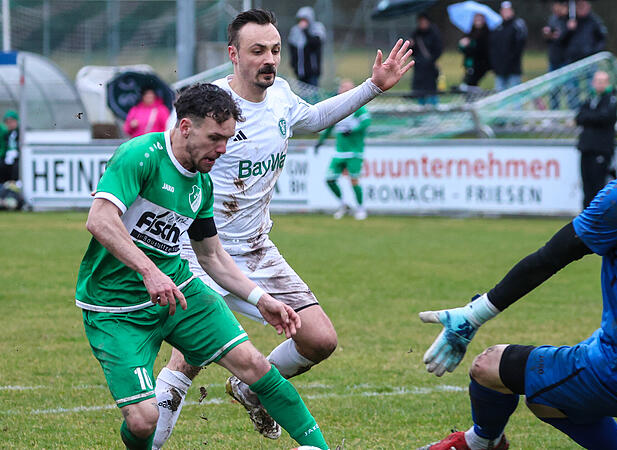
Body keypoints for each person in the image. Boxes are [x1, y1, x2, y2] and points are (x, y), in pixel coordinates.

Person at [151, 9, 412, 447]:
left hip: (256, 249)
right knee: (189, 357)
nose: (269, 59)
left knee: (320, 339)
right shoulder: (206, 107)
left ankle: (250, 389)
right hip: (198, 253)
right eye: (258, 51)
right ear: (233, 55)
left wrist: (372, 87)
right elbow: (169, 163)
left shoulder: (282, 96)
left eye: (274, 50)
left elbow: (312, 119)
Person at [419, 58, 617, 450]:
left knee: (488, 366)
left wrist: (472, 315)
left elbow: (548, 259)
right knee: (549, 399)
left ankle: (477, 444)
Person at [76, 83, 329, 450]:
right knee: (144, 421)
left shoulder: (202, 184)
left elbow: (211, 256)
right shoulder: (141, 156)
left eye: (227, 139)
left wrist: (261, 299)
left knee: (254, 366)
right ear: (185, 127)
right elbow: (100, 220)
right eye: (215, 138)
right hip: (115, 309)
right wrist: (150, 271)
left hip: (178, 293)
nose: (223, 149)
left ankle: (319, 447)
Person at [315, 79, 371, 220]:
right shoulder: (338, 108)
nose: (342, 90)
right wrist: (320, 142)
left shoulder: (358, 107)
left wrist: (352, 129)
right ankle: (344, 205)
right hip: (339, 152)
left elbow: (366, 122)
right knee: (330, 179)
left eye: (346, 88)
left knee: (354, 180)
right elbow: (329, 126)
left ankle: (360, 209)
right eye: (341, 88)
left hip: (354, 152)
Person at [576, 70, 617, 209]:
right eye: (596, 81)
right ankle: (585, 219)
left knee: (598, 186)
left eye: (602, 81)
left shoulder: (611, 98)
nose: (598, 84)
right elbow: (579, 117)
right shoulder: (589, 99)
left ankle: (597, 218)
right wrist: (592, 116)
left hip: (601, 148)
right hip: (586, 148)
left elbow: (605, 117)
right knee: (586, 186)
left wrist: (590, 117)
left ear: (607, 83)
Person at [490, 1, 528, 91]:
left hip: (513, 69)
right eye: (504, 10)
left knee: (515, 96)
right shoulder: (497, 28)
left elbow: (520, 44)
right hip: (500, 70)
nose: (506, 12)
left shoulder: (517, 25)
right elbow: (493, 48)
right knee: (500, 95)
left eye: (508, 10)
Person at [288, 6, 326, 87]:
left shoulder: (317, 29)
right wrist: (293, 64)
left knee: (313, 96)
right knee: (303, 96)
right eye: (301, 19)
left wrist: (305, 31)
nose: (302, 22)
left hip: (313, 72)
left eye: (305, 19)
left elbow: (314, 44)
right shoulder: (295, 31)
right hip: (300, 71)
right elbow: (292, 48)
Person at [410, 12, 443, 105]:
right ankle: (421, 109)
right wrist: (411, 45)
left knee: (432, 90)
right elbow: (412, 52)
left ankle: (434, 108)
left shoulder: (434, 33)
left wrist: (431, 60)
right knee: (420, 91)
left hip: (430, 67)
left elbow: (438, 49)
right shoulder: (416, 34)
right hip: (419, 67)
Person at [561, 0, 607, 66]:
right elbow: (561, 41)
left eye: (583, 5)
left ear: (588, 6)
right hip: (572, 61)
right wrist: (569, 30)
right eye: (579, 6)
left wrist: (594, 52)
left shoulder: (594, 21)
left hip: (590, 60)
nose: (581, 8)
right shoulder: (569, 20)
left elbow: (602, 39)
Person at [458, 13, 491, 89]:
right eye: (476, 18)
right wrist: (463, 44)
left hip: (480, 65)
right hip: (469, 64)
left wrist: (470, 45)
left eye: (480, 18)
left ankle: (473, 99)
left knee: (470, 84)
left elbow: (481, 50)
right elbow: (462, 49)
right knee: (468, 84)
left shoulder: (487, 33)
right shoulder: (469, 32)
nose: (478, 21)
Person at [542, 1, 568, 72]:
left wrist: (554, 35)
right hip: (553, 58)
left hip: (565, 59)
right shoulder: (552, 19)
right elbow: (548, 38)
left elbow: (562, 36)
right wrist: (548, 34)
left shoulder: (569, 19)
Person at [0, 110, 19, 183]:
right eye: (7, 122)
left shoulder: (20, 132)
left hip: (17, 158)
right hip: (6, 158)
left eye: (11, 122)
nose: (9, 124)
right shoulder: (5, 134)